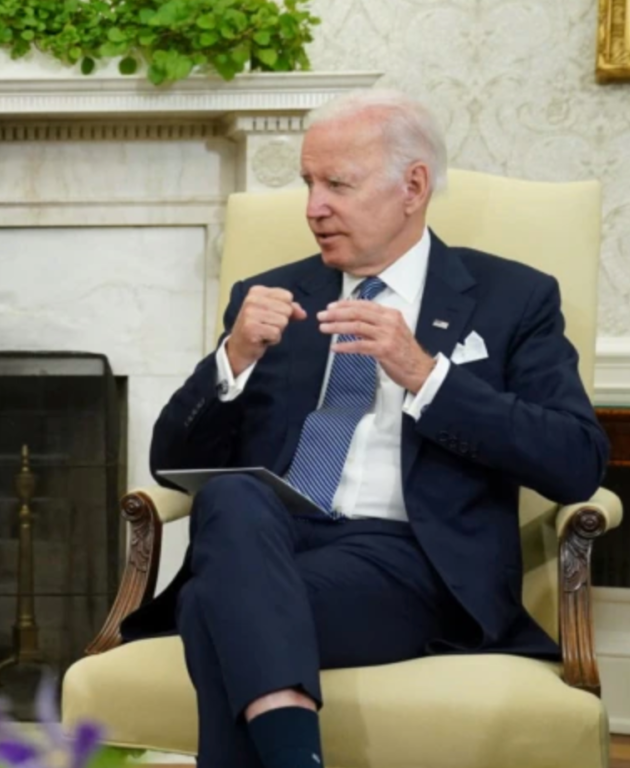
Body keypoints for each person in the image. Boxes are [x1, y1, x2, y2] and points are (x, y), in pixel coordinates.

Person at [119, 89, 610, 768]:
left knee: (212, 606)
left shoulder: (512, 297)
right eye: (308, 184)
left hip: (409, 562)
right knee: (231, 497)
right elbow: (171, 462)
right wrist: (232, 359)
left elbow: (575, 460)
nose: (313, 208)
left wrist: (426, 376)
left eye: (337, 185)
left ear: (412, 187)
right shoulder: (270, 297)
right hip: (274, 543)